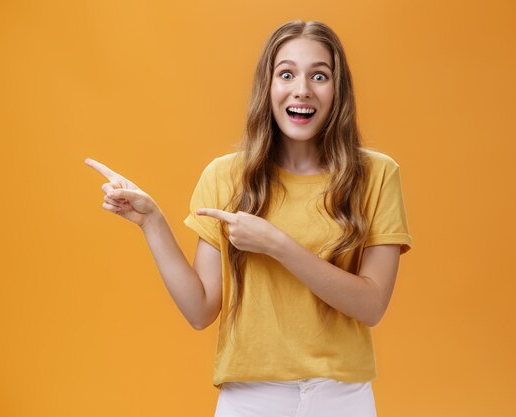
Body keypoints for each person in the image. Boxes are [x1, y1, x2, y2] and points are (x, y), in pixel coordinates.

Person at [85, 19, 412, 417]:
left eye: (319, 75)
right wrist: (151, 221)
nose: (302, 89)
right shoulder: (225, 176)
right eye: (286, 73)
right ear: (268, 87)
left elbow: (372, 304)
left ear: (337, 90)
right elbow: (200, 310)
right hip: (252, 400)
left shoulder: (376, 175)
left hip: (342, 398)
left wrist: (276, 244)